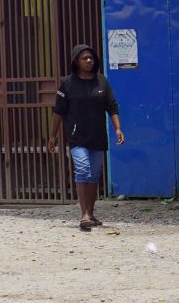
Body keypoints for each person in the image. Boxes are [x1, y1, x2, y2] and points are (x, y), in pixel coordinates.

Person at [48, 44, 124, 231]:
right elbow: (58, 112)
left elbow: (112, 106)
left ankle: (90, 213)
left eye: (91, 57)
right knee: (82, 170)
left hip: (98, 136)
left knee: (94, 176)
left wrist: (117, 129)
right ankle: (84, 215)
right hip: (76, 137)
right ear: (76, 61)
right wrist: (52, 136)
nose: (89, 60)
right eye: (84, 58)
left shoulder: (102, 82)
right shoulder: (67, 84)